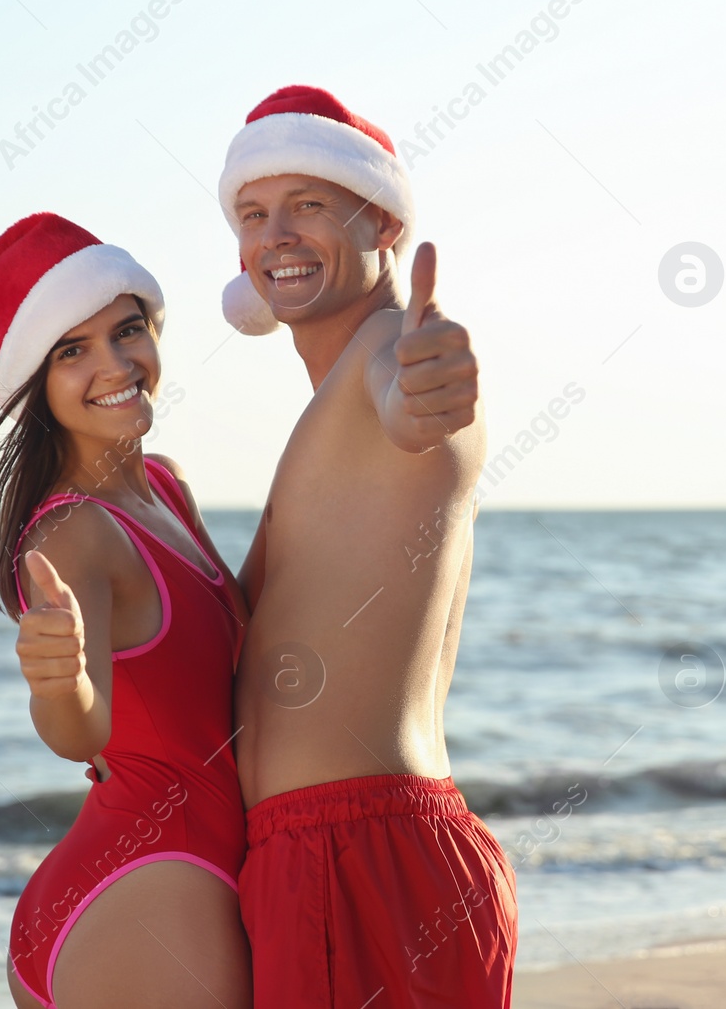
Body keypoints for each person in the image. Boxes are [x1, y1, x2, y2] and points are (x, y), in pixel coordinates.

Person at [0, 213, 252, 1009]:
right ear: (36, 386)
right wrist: (61, 682)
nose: (116, 364)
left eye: (128, 330)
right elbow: (79, 731)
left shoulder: (169, 489)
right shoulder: (73, 530)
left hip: (159, 878)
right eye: (72, 351)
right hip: (148, 885)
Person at [217, 86, 515, 1007]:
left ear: (382, 218)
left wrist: (426, 387)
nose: (279, 235)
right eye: (255, 214)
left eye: (310, 204)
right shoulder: (330, 401)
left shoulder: (388, 350)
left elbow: (411, 400)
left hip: (357, 856)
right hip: (345, 851)